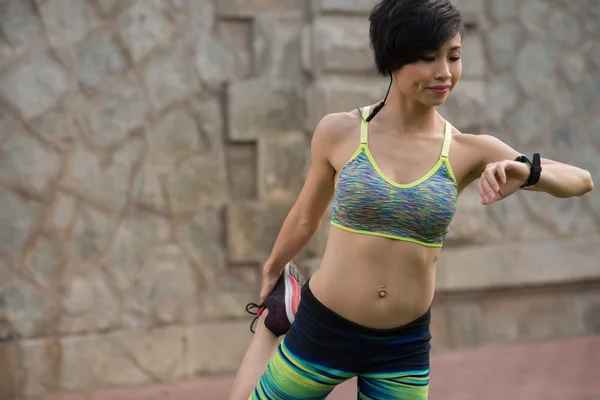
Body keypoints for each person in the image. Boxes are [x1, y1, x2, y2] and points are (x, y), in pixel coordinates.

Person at [229, 0, 595, 399]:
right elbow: (305, 217)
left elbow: (582, 181)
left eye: (453, 57)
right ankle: (271, 328)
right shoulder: (341, 132)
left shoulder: (468, 149)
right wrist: (272, 269)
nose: (445, 73)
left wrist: (527, 170)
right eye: (427, 58)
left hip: (401, 348)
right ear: (393, 61)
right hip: (324, 329)